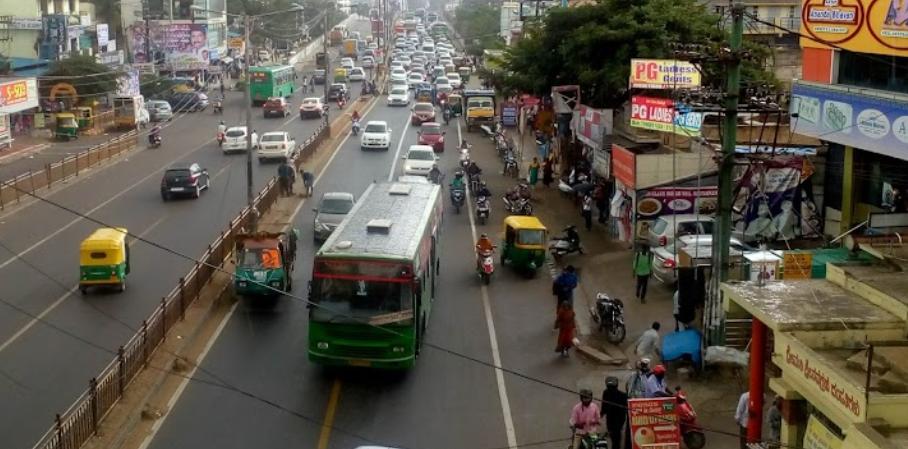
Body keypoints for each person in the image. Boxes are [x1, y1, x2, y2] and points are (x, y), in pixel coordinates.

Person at [601, 376, 628, 449]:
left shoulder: (623, 396)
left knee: (617, 439)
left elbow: (626, 409)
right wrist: (601, 413)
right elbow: (604, 405)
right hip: (610, 419)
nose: (610, 389)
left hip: (619, 420)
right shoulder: (606, 393)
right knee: (614, 438)